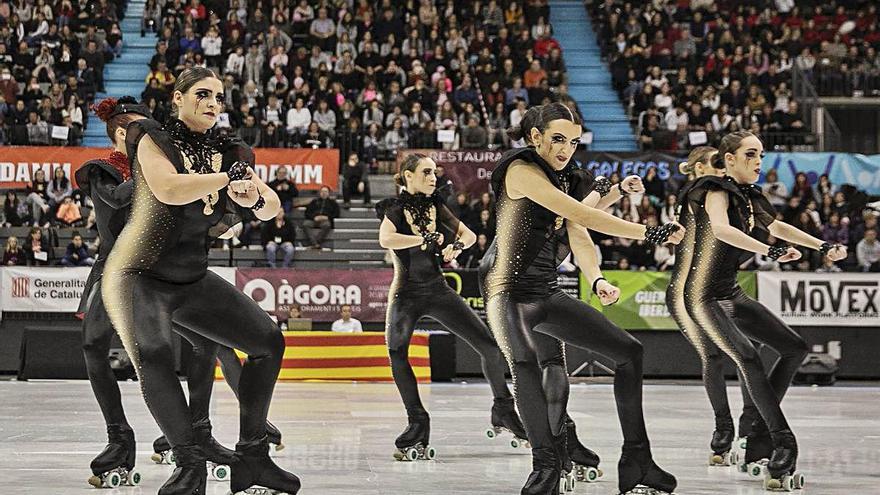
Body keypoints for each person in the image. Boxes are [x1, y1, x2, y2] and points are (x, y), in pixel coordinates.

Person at [101, 68, 299, 495]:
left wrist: (255, 196)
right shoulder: (153, 139)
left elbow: (269, 208)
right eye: (203, 94)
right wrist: (231, 180)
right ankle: (189, 465)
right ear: (178, 98)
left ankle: (253, 457)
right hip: (138, 275)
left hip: (191, 278)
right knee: (153, 353)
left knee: (268, 341)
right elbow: (170, 189)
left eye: (219, 97)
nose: (213, 103)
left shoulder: (229, 150)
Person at [482, 103, 682, 495]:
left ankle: (637, 460)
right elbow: (579, 213)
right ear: (535, 136)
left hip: (545, 291)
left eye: (574, 142)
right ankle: (546, 467)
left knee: (630, 352)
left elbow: (579, 226)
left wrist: (598, 276)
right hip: (505, 291)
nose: (566, 149)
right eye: (558, 139)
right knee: (525, 365)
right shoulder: (521, 169)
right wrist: (650, 232)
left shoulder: (568, 177)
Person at [683, 130, 847, 489]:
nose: (759, 162)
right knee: (747, 357)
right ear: (729, 160)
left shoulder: (748, 195)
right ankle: (781, 440)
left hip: (730, 292)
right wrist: (768, 250)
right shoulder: (713, 189)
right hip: (703, 296)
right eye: (751, 155)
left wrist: (822, 245)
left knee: (795, 347)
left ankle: (756, 430)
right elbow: (722, 230)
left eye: (761, 155)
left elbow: (776, 225)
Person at [376, 154, 526, 461]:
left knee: (491, 347)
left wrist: (453, 247)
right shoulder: (394, 208)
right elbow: (385, 239)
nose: (434, 177)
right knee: (396, 352)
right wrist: (421, 238)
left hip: (438, 290)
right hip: (406, 293)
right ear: (407, 176)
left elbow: (469, 235)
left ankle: (503, 408)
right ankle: (417, 421)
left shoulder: (436, 206)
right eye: (426, 172)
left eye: (435, 172)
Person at [666, 146, 758, 466]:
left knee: (747, 351)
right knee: (713, 355)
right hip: (686, 292)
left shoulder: (727, 196)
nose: (723, 169)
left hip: (719, 288)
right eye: (717, 163)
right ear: (699, 168)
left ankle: (749, 426)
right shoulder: (698, 192)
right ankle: (724, 427)